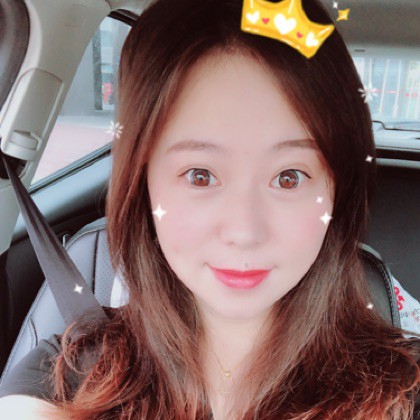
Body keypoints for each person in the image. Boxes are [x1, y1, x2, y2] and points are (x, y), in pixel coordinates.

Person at [0, 0, 419, 418]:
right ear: (144, 183)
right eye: (200, 176)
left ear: (336, 191)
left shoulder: (403, 387)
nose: (244, 232)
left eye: (289, 177)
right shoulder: (69, 372)